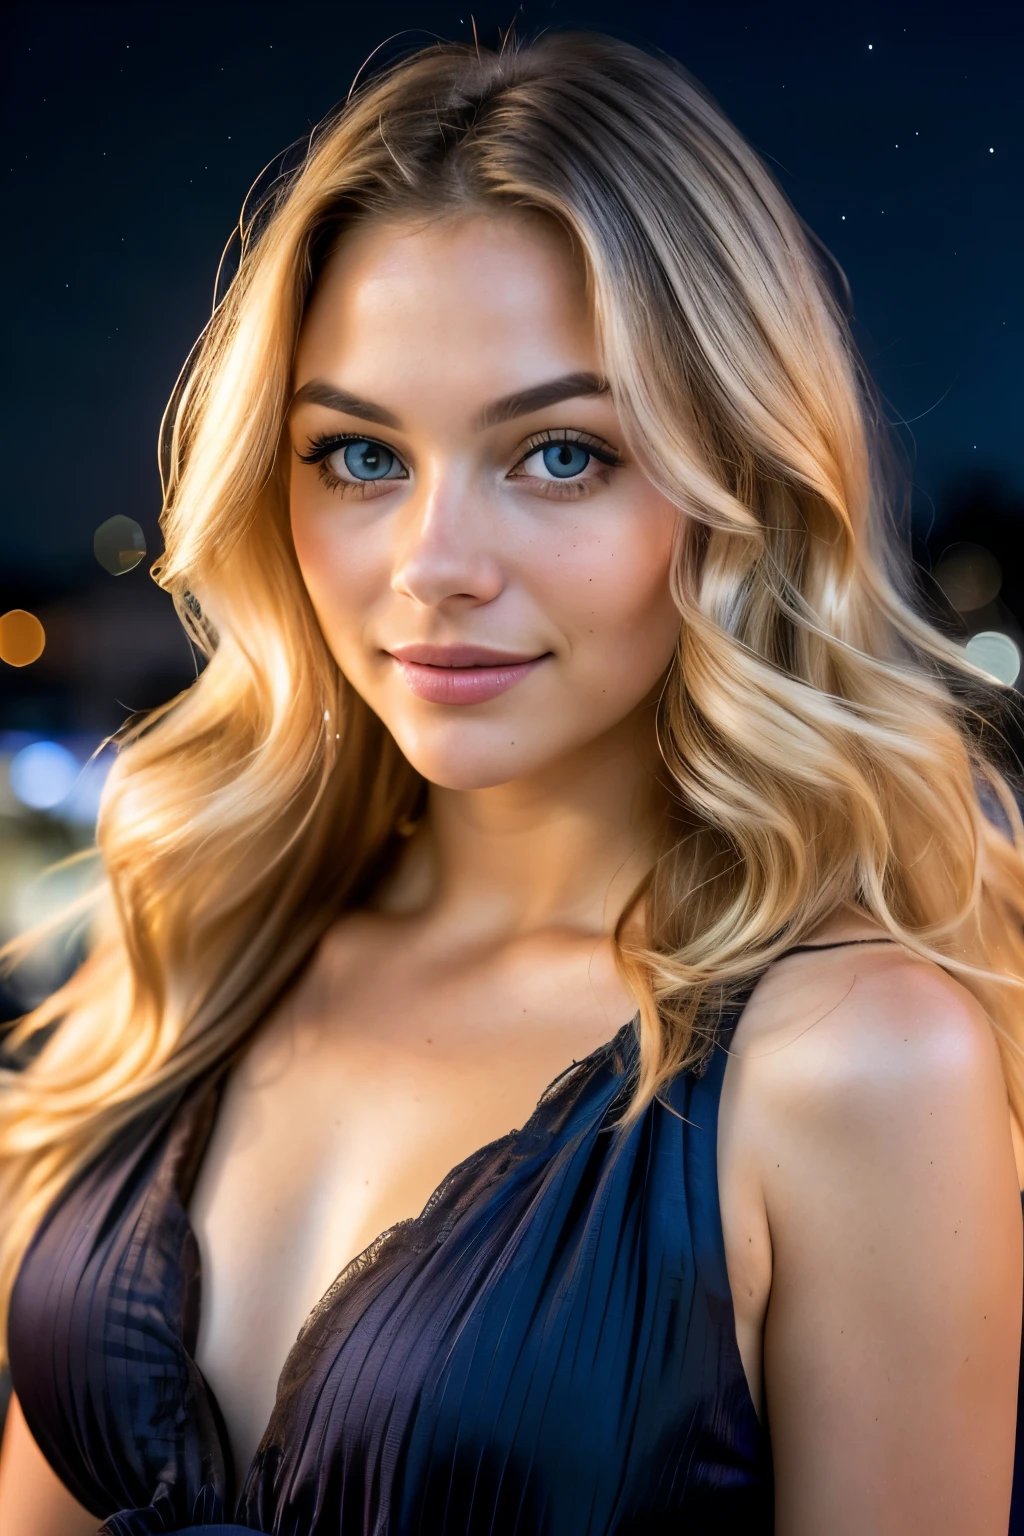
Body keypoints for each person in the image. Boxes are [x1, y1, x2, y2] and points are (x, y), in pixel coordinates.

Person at [1, 28, 1022, 1536]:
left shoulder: (856, 1063)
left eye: (557, 455)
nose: (432, 569)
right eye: (358, 456)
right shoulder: (199, 945)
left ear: (735, 492)